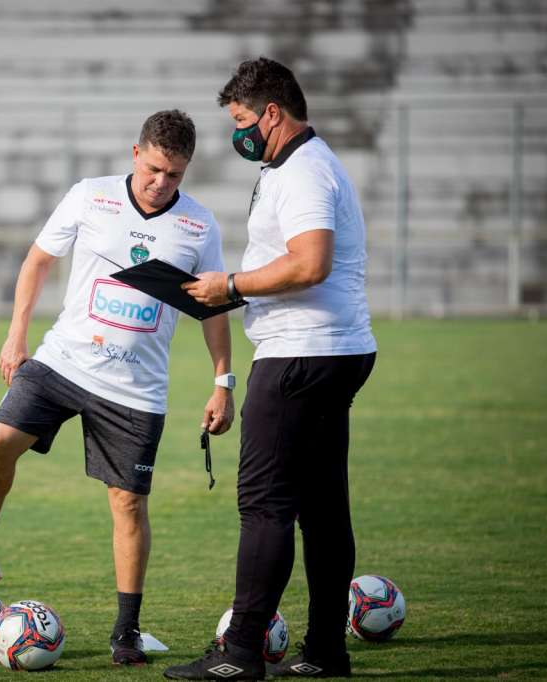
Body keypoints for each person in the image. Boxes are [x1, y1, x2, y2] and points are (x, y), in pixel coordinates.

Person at [0, 110, 237, 667]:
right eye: (153, 169)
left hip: (136, 390)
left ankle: (127, 631)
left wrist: (223, 382)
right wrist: (15, 337)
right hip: (63, 362)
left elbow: (213, 307)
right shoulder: (90, 197)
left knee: (127, 503)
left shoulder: (199, 226)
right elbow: (37, 260)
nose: (161, 183)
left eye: (174, 174)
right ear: (135, 154)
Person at [164, 58, 378, 680]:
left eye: (242, 121)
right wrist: (234, 293)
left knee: (264, 505)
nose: (239, 133)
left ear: (273, 114)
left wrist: (232, 282)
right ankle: (325, 652)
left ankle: (239, 658)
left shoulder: (305, 170)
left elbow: (310, 263)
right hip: (331, 349)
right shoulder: (295, 164)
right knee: (322, 508)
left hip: (300, 354)